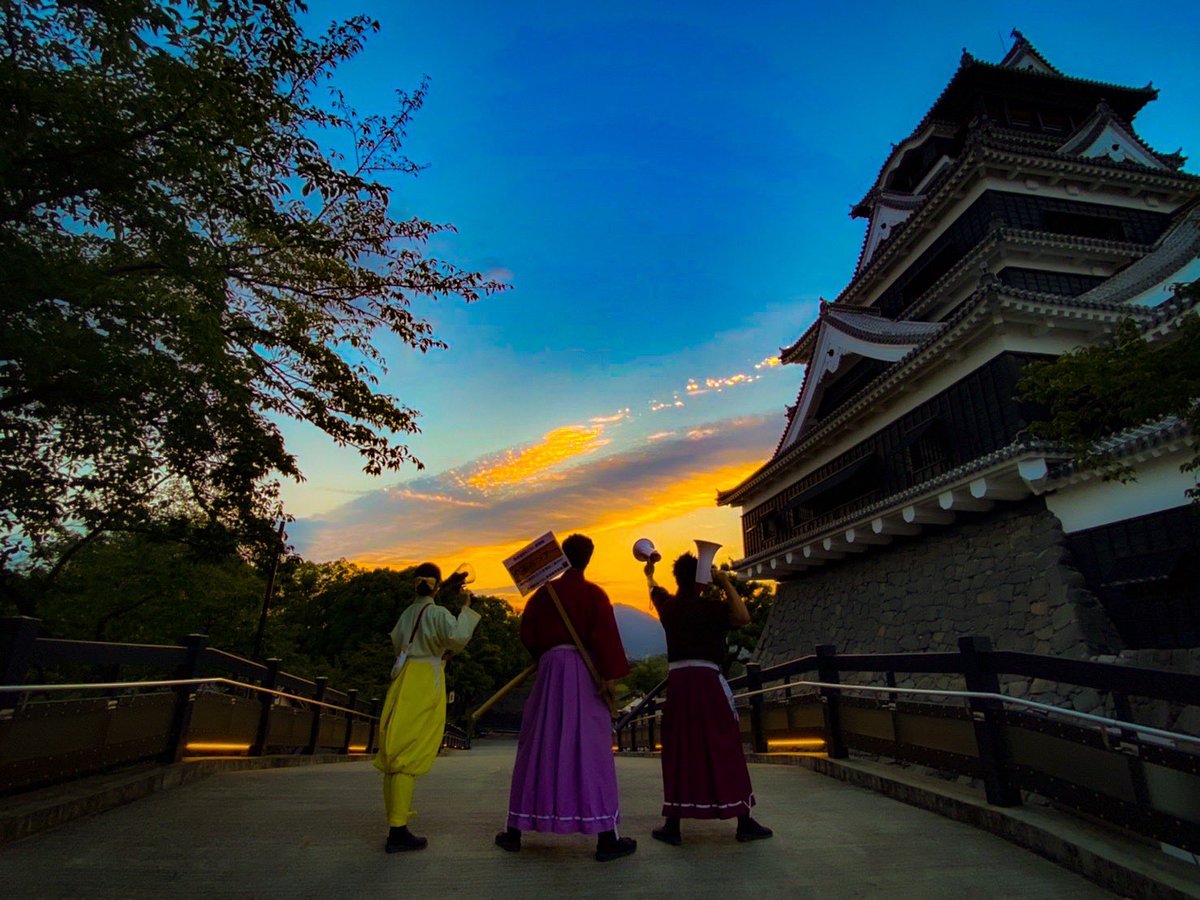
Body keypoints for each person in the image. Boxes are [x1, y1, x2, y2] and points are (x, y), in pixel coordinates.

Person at [495, 533, 637, 862]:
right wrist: (610, 677)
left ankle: (515, 831)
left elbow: (528, 634)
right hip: (585, 676)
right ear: (588, 558)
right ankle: (605, 838)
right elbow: (605, 638)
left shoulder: (544, 595)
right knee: (592, 750)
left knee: (537, 746)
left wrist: (545, 656)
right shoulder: (593, 594)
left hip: (548, 674)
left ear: (562, 556)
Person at [645, 553, 773, 845]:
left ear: (677, 578)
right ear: (701, 578)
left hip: (679, 687)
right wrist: (725, 582)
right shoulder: (712, 608)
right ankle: (743, 820)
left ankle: (673, 825)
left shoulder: (670, 609)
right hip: (708, 684)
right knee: (724, 746)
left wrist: (649, 572)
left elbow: (654, 590)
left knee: (679, 749)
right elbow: (743, 617)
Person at [375, 562, 481, 853]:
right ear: (435, 586)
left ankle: (396, 823)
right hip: (426, 680)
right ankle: (398, 830)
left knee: (395, 750)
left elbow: (397, 641)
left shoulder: (408, 613)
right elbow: (457, 638)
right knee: (410, 752)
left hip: (404, 678)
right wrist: (468, 609)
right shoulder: (437, 613)